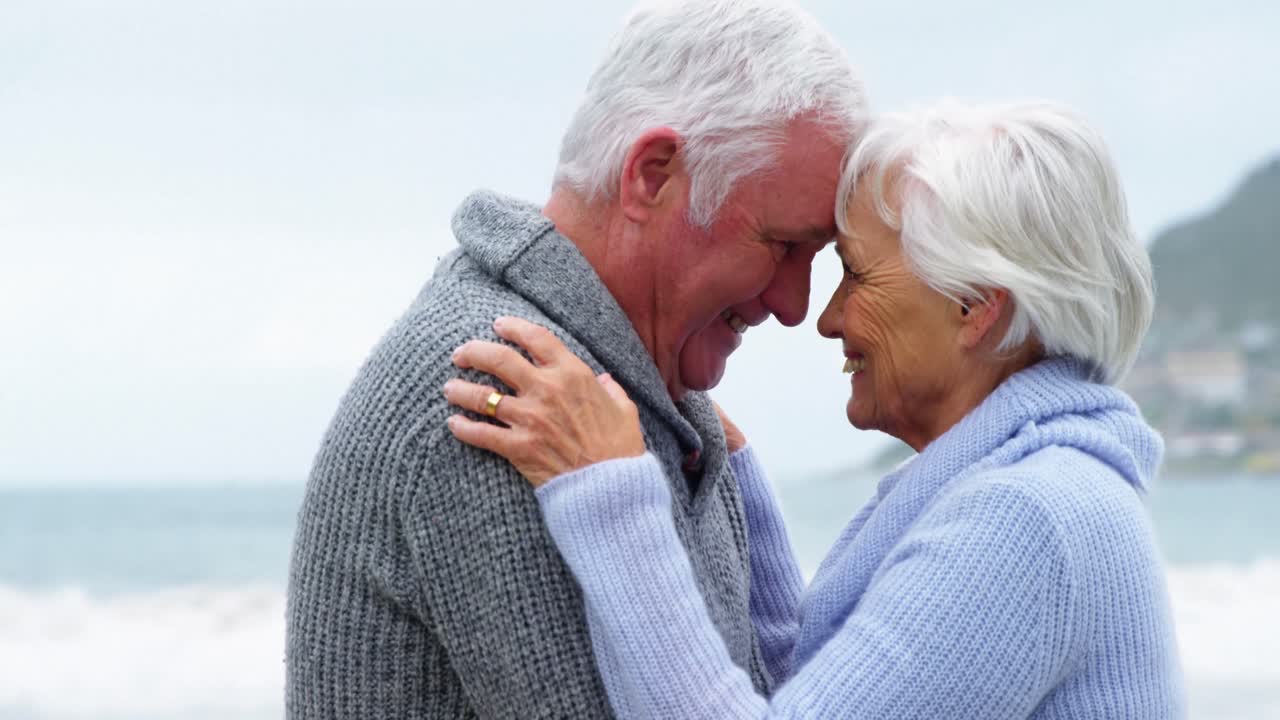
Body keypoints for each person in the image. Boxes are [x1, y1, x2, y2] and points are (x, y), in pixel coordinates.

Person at [444, 100, 1185, 718]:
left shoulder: (1030, 522)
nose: (825, 317)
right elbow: (813, 694)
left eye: (857, 274)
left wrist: (607, 492)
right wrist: (736, 484)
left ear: (974, 308)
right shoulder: (1046, 493)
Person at [285, 0, 865, 717]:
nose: (794, 305)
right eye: (783, 246)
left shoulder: (630, 398)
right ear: (652, 174)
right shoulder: (504, 392)